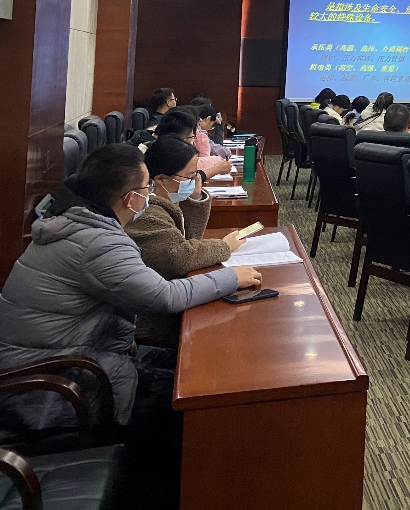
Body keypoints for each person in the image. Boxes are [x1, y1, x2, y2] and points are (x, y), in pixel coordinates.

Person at [0, 144, 258, 431]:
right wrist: (231, 277)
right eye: (148, 188)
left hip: (72, 361)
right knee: (208, 397)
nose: (150, 194)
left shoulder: (74, 221)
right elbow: (165, 296)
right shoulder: (97, 243)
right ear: (131, 199)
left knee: (202, 362)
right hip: (54, 390)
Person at [129, 137, 246, 346]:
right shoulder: (147, 212)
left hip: (170, 305)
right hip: (154, 323)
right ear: (161, 179)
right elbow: (179, 256)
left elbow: (189, 239)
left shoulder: (166, 202)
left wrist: (195, 197)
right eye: (190, 176)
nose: (194, 180)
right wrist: (224, 246)